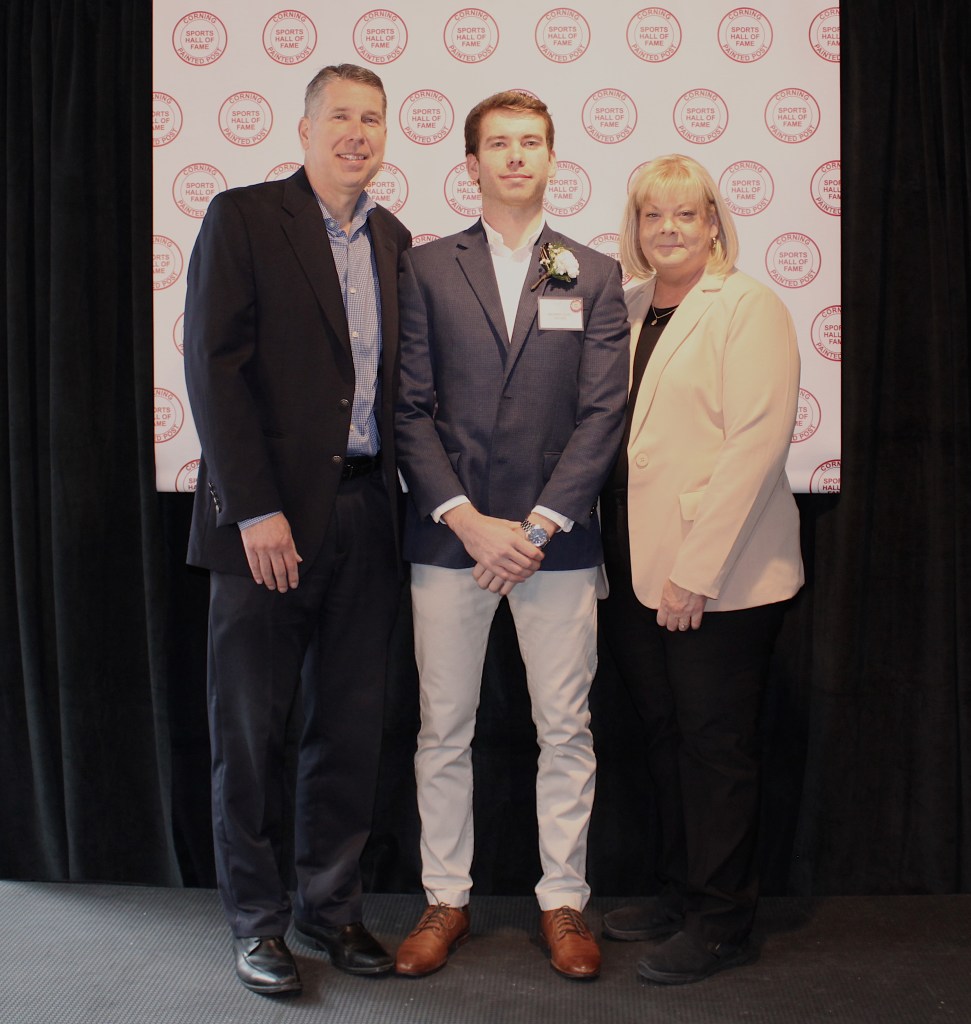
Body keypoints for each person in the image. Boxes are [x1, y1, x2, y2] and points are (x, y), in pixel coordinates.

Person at [183, 63, 411, 996]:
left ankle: (329, 906)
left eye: (373, 119)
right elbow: (213, 364)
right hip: (265, 523)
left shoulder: (393, 238)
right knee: (250, 732)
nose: (357, 133)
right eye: (340, 117)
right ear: (305, 129)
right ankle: (256, 920)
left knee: (347, 729)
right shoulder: (243, 217)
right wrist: (256, 508)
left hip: (365, 513)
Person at [392, 90, 630, 981]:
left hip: (553, 544)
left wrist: (532, 527)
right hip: (449, 539)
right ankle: (444, 898)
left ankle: (563, 899)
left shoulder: (592, 272)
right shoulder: (423, 267)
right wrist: (466, 519)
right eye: (499, 143)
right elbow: (408, 408)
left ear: (553, 159)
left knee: (564, 728)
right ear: (472, 164)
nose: (516, 156)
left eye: (531, 141)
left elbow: (603, 413)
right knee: (441, 728)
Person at [598, 153, 804, 985]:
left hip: (717, 577)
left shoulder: (748, 307)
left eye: (686, 214)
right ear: (635, 227)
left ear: (714, 222)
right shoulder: (627, 305)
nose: (669, 229)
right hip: (632, 566)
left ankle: (722, 923)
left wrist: (696, 572)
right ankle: (680, 891)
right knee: (663, 739)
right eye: (653, 215)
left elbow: (754, 447)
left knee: (715, 749)